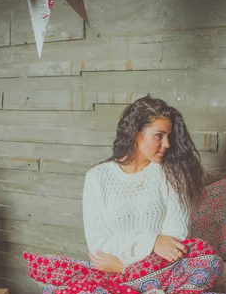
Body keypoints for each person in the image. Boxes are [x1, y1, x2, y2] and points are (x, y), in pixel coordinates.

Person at [83, 95, 205, 274]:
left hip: (163, 275)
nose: (167, 144)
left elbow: (175, 245)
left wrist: (123, 266)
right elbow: (99, 247)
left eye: (169, 136)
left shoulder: (173, 175)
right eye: (159, 136)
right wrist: (153, 242)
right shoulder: (97, 177)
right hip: (112, 275)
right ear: (135, 134)